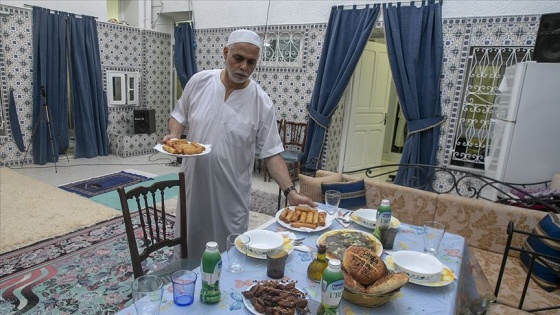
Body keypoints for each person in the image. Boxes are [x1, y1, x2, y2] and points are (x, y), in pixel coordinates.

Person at [161, 29, 315, 260]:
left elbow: (271, 153)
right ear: (225, 53)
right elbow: (179, 116)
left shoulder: (261, 102)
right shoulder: (200, 82)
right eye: (238, 58)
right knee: (189, 247)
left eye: (251, 62)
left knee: (228, 253)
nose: (244, 67)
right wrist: (174, 136)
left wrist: (290, 192)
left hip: (231, 195)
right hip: (194, 187)